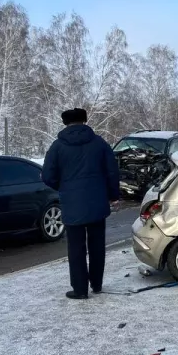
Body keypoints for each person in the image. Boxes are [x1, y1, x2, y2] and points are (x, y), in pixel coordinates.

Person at [42, 108, 121, 300]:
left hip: (72, 204)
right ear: (85, 121)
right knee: (97, 245)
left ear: (65, 123)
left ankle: (79, 289)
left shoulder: (57, 147)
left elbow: (47, 176)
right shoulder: (99, 144)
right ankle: (97, 284)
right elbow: (112, 171)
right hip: (97, 203)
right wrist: (112, 195)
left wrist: (64, 186)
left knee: (76, 248)